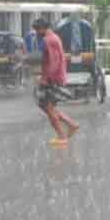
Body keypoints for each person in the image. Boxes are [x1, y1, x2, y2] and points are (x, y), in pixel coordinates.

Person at [34, 18, 79, 146]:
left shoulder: (49, 40)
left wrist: (46, 78)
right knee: (47, 106)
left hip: (52, 79)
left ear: (43, 28)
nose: (36, 32)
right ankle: (71, 124)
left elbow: (54, 61)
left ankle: (62, 136)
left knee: (48, 108)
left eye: (37, 30)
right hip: (53, 77)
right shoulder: (52, 38)